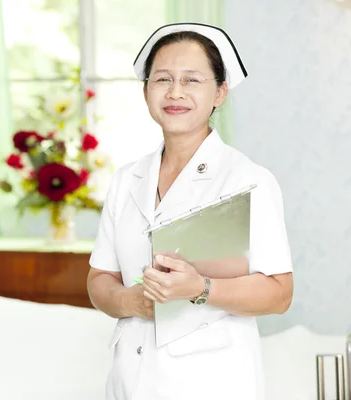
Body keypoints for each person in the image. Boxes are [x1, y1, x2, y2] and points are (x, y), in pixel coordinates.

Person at [87, 22, 293, 400]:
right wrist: (129, 301)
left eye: (192, 80)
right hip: (127, 380)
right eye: (162, 79)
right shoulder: (126, 179)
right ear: (146, 90)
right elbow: (99, 278)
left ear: (220, 92)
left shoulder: (248, 179)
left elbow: (279, 294)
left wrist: (200, 288)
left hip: (211, 384)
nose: (175, 92)